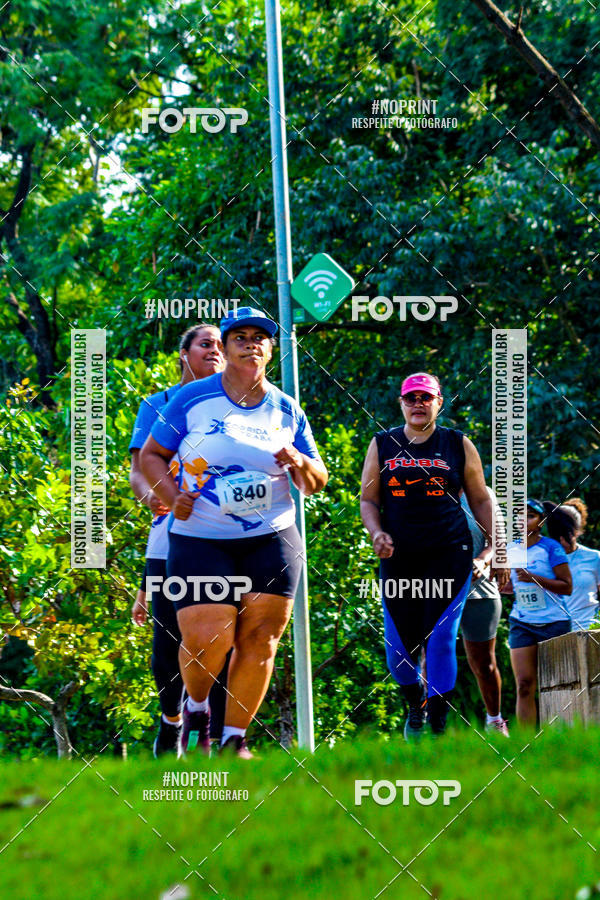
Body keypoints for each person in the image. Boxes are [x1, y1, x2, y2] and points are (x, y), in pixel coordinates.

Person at [139, 306, 328, 759]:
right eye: (239, 337)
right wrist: (171, 495)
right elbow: (150, 457)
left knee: (261, 639)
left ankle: (234, 740)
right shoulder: (191, 399)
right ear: (225, 347)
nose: (250, 344)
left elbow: (317, 480)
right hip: (201, 536)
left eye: (259, 338)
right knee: (209, 639)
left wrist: (299, 461)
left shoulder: (286, 408)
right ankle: (197, 709)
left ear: (271, 350)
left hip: (272, 535)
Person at [360, 372, 509, 739]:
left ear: (439, 402)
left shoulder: (457, 443)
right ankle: (415, 704)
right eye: (411, 398)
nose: (418, 404)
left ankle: (439, 725)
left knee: (441, 639)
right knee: (398, 649)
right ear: (401, 403)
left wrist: (495, 549)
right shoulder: (383, 443)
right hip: (400, 557)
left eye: (426, 398)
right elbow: (368, 500)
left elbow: (480, 499)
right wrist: (377, 532)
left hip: (450, 553)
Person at [128, 323, 226, 756]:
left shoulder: (237, 406)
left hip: (226, 536)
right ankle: (171, 721)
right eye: (205, 344)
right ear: (184, 354)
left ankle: (218, 735)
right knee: (168, 640)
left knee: (223, 636)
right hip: (169, 535)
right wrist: (154, 495)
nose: (216, 350)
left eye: (221, 345)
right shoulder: (158, 404)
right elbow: (139, 471)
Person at [507, 499, 573, 726]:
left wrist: (534, 578)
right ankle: (525, 742)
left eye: (530, 516)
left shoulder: (551, 548)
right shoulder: (510, 549)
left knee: (558, 683)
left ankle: (559, 735)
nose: (523, 520)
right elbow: (510, 585)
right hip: (522, 622)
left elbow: (567, 586)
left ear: (541, 521)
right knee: (524, 684)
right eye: (519, 516)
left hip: (555, 623)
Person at [460, 488, 509, 736]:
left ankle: (494, 720)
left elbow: (497, 541)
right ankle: (429, 718)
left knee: (484, 664)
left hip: (478, 588)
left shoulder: (481, 494)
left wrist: (483, 559)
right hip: (436, 589)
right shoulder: (425, 489)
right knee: (431, 655)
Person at [554, 499, 600, 631]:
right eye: (558, 533)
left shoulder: (594, 557)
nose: (562, 539)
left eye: (567, 533)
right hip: (553, 633)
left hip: (588, 630)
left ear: (578, 531)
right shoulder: (543, 558)